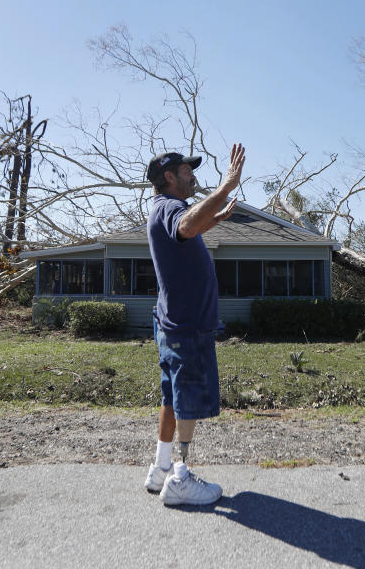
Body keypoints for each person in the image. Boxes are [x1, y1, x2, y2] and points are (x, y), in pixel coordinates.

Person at [142, 143, 245, 506]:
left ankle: (160, 469)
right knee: (186, 401)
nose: (192, 175)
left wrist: (214, 218)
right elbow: (185, 225)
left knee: (171, 398)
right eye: (186, 171)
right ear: (169, 177)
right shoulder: (172, 207)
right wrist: (226, 185)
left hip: (171, 323)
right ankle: (181, 480)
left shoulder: (158, 210)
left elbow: (184, 233)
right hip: (187, 327)